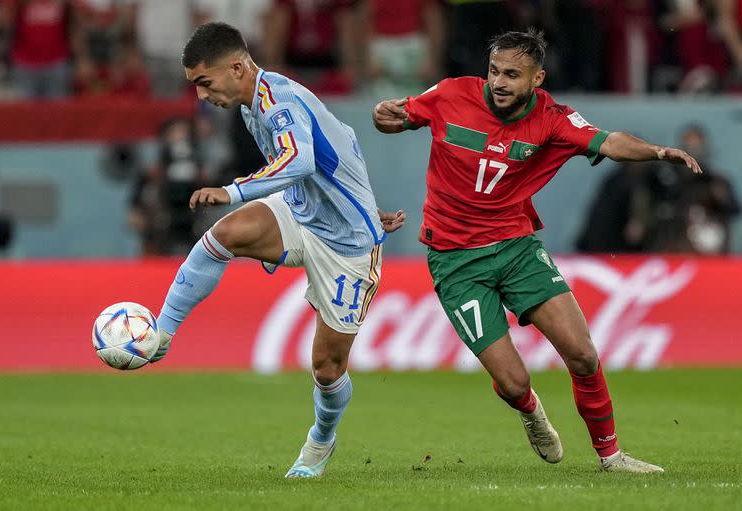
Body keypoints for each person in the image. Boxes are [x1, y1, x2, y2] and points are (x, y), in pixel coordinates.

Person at [372, 29, 702, 473]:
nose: (499, 82)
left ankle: (611, 456)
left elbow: (607, 141)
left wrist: (659, 151)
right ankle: (530, 411)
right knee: (513, 382)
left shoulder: (552, 118)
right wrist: (383, 116)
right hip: (454, 261)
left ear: (537, 79)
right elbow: (395, 118)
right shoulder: (450, 94)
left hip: (516, 248)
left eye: (512, 74)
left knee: (583, 354)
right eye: (494, 71)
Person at [152, 22, 405, 478]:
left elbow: (301, 160)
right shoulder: (253, 104)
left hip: (347, 247)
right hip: (299, 213)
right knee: (223, 237)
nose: (201, 96)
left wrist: (231, 191)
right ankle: (161, 333)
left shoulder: (278, 103)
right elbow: (342, 140)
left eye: (204, 83)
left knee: (327, 369)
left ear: (236, 67)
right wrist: (364, 201)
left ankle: (321, 440)